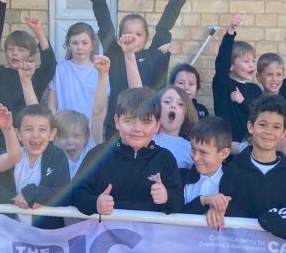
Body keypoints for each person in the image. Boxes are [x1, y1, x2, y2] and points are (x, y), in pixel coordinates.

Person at [87, 0, 189, 135]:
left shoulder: (153, 55)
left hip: (147, 122)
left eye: (139, 34)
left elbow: (163, 28)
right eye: (128, 33)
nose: (133, 38)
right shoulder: (114, 53)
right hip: (118, 123)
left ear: (146, 37)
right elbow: (105, 25)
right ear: (120, 37)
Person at [72, 87, 184, 216]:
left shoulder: (165, 159)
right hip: (104, 234)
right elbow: (76, 193)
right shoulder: (98, 155)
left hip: (151, 235)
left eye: (146, 122)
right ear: (117, 121)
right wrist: (95, 203)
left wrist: (167, 197)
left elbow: (179, 203)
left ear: (157, 125)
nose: (137, 128)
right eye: (129, 121)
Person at [216, 95, 286, 219]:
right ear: (251, 127)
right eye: (262, 124)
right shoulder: (231, 171)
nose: (269, 131)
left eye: (276, 127)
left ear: (284, 132)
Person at [0, 15, 56, 152]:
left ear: (31, 56)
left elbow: (50, 64)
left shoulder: (36, 76)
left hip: (29, 140)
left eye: (21, 50)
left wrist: (38, 32)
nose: (14, 53)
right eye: (10, 49)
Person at [8, 104, 71, 230]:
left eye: (42, 129)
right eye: (28, 129)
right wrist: (16, 198)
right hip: (11, 236)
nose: (35, 135)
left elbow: (66, 194)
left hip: (46, 238)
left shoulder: (57, 156)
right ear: (18, 134)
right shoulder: (10, 156)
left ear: (52, 134)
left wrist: (32, 193)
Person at [212, 13, 260, 143]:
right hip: (225, 146)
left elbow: (259, 115)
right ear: (231, 65)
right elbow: (222, 63)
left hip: (250, 148)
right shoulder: (223, 84)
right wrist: (231, 31)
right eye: (246, 61)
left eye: (253, 61)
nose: (251, 65)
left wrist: (242, 101)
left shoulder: (255, 90)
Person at [180, 116, 234, 228]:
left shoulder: (236, 181)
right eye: (193, 149)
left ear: (224, 153)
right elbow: (174, 214)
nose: (195, 157)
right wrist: (203, 201)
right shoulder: (181, 177)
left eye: (203, 152)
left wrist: (220, 209)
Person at [47, 21, 100, 116]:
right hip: (64, 128)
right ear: (68, 46)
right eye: (75, 43)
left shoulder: (99, 71)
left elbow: (102, 107)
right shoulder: (60, 69)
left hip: (90, 129)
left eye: (85, 43)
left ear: (92, 45)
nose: (79, 47)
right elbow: (51, 106)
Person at [155, 86, 196, 169]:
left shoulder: (190, 148)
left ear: (186, 114)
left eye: (180, 104)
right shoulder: (145, 138)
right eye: (167, 101)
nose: (173, 105)